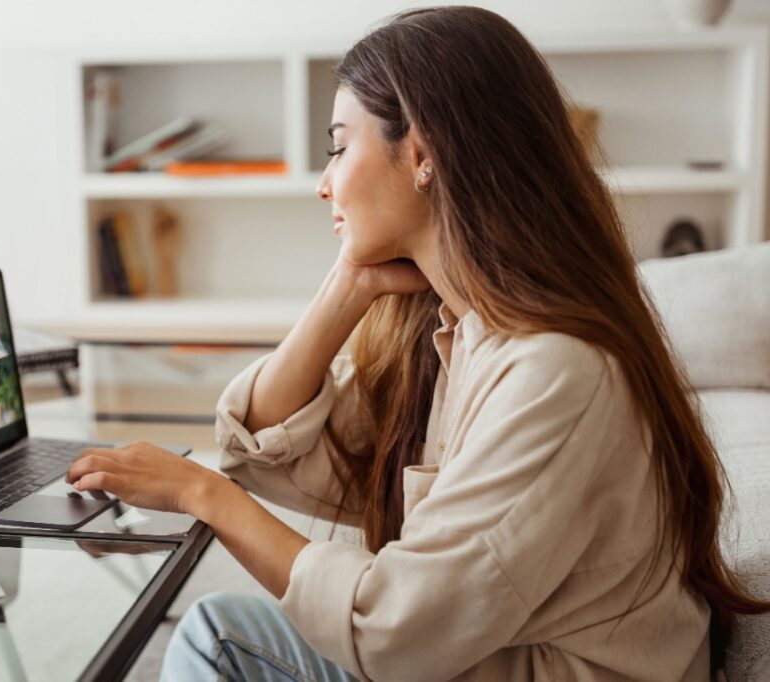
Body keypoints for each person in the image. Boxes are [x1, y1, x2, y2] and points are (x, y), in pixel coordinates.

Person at [64, 7, 769, 681]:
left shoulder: (557, 369)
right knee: (221, 629)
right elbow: (268, 450)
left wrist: (200, 494)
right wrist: (348, 286)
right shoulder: (460, 335)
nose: (324, 183)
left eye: (339, 146)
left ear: (423, 153)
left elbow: (392, 629)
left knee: (219, 638)